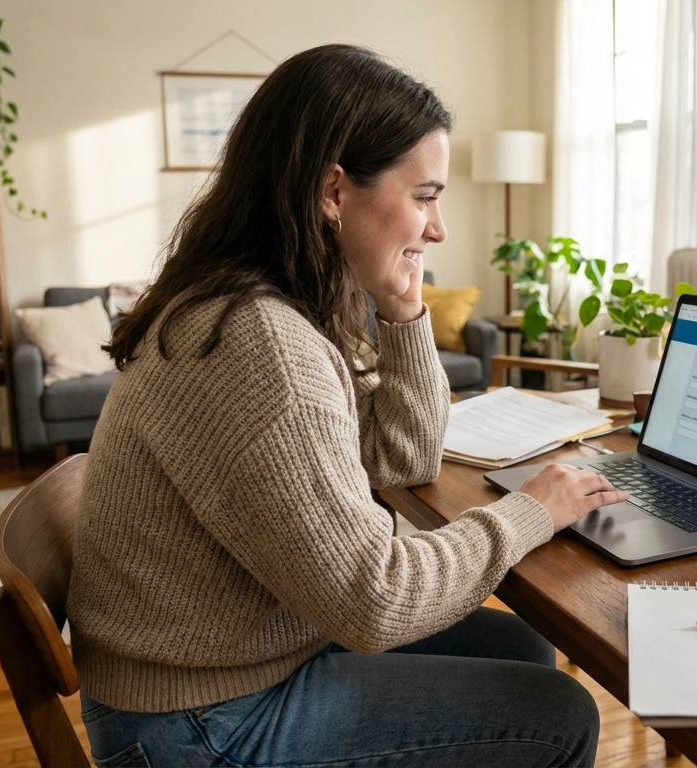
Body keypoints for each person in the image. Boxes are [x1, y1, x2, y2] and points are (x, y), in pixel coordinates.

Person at [66, 43, 629, 768]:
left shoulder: (260, 303)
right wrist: (533, 511)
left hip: (235, 662)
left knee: (520, 643)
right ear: (334, 193)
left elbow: (401, 458)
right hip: (199, 723)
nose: (439, 228)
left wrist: (402, 311)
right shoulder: (258, 344)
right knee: (558, 716)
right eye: (424, 196)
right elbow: (376, 602)